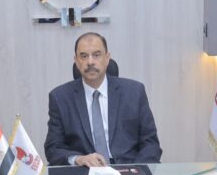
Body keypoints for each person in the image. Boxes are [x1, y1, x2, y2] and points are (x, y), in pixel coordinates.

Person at [44, 32, 163, 166]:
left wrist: (136, 171)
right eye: (84, 56)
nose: (90, 62)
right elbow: (53, 148)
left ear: (107, 58)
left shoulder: (134, 92)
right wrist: (78, 159)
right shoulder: (60, 98)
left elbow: (150, 144)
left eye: (96, 55)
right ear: (76, 61)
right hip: (85, 171)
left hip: (128, 168)